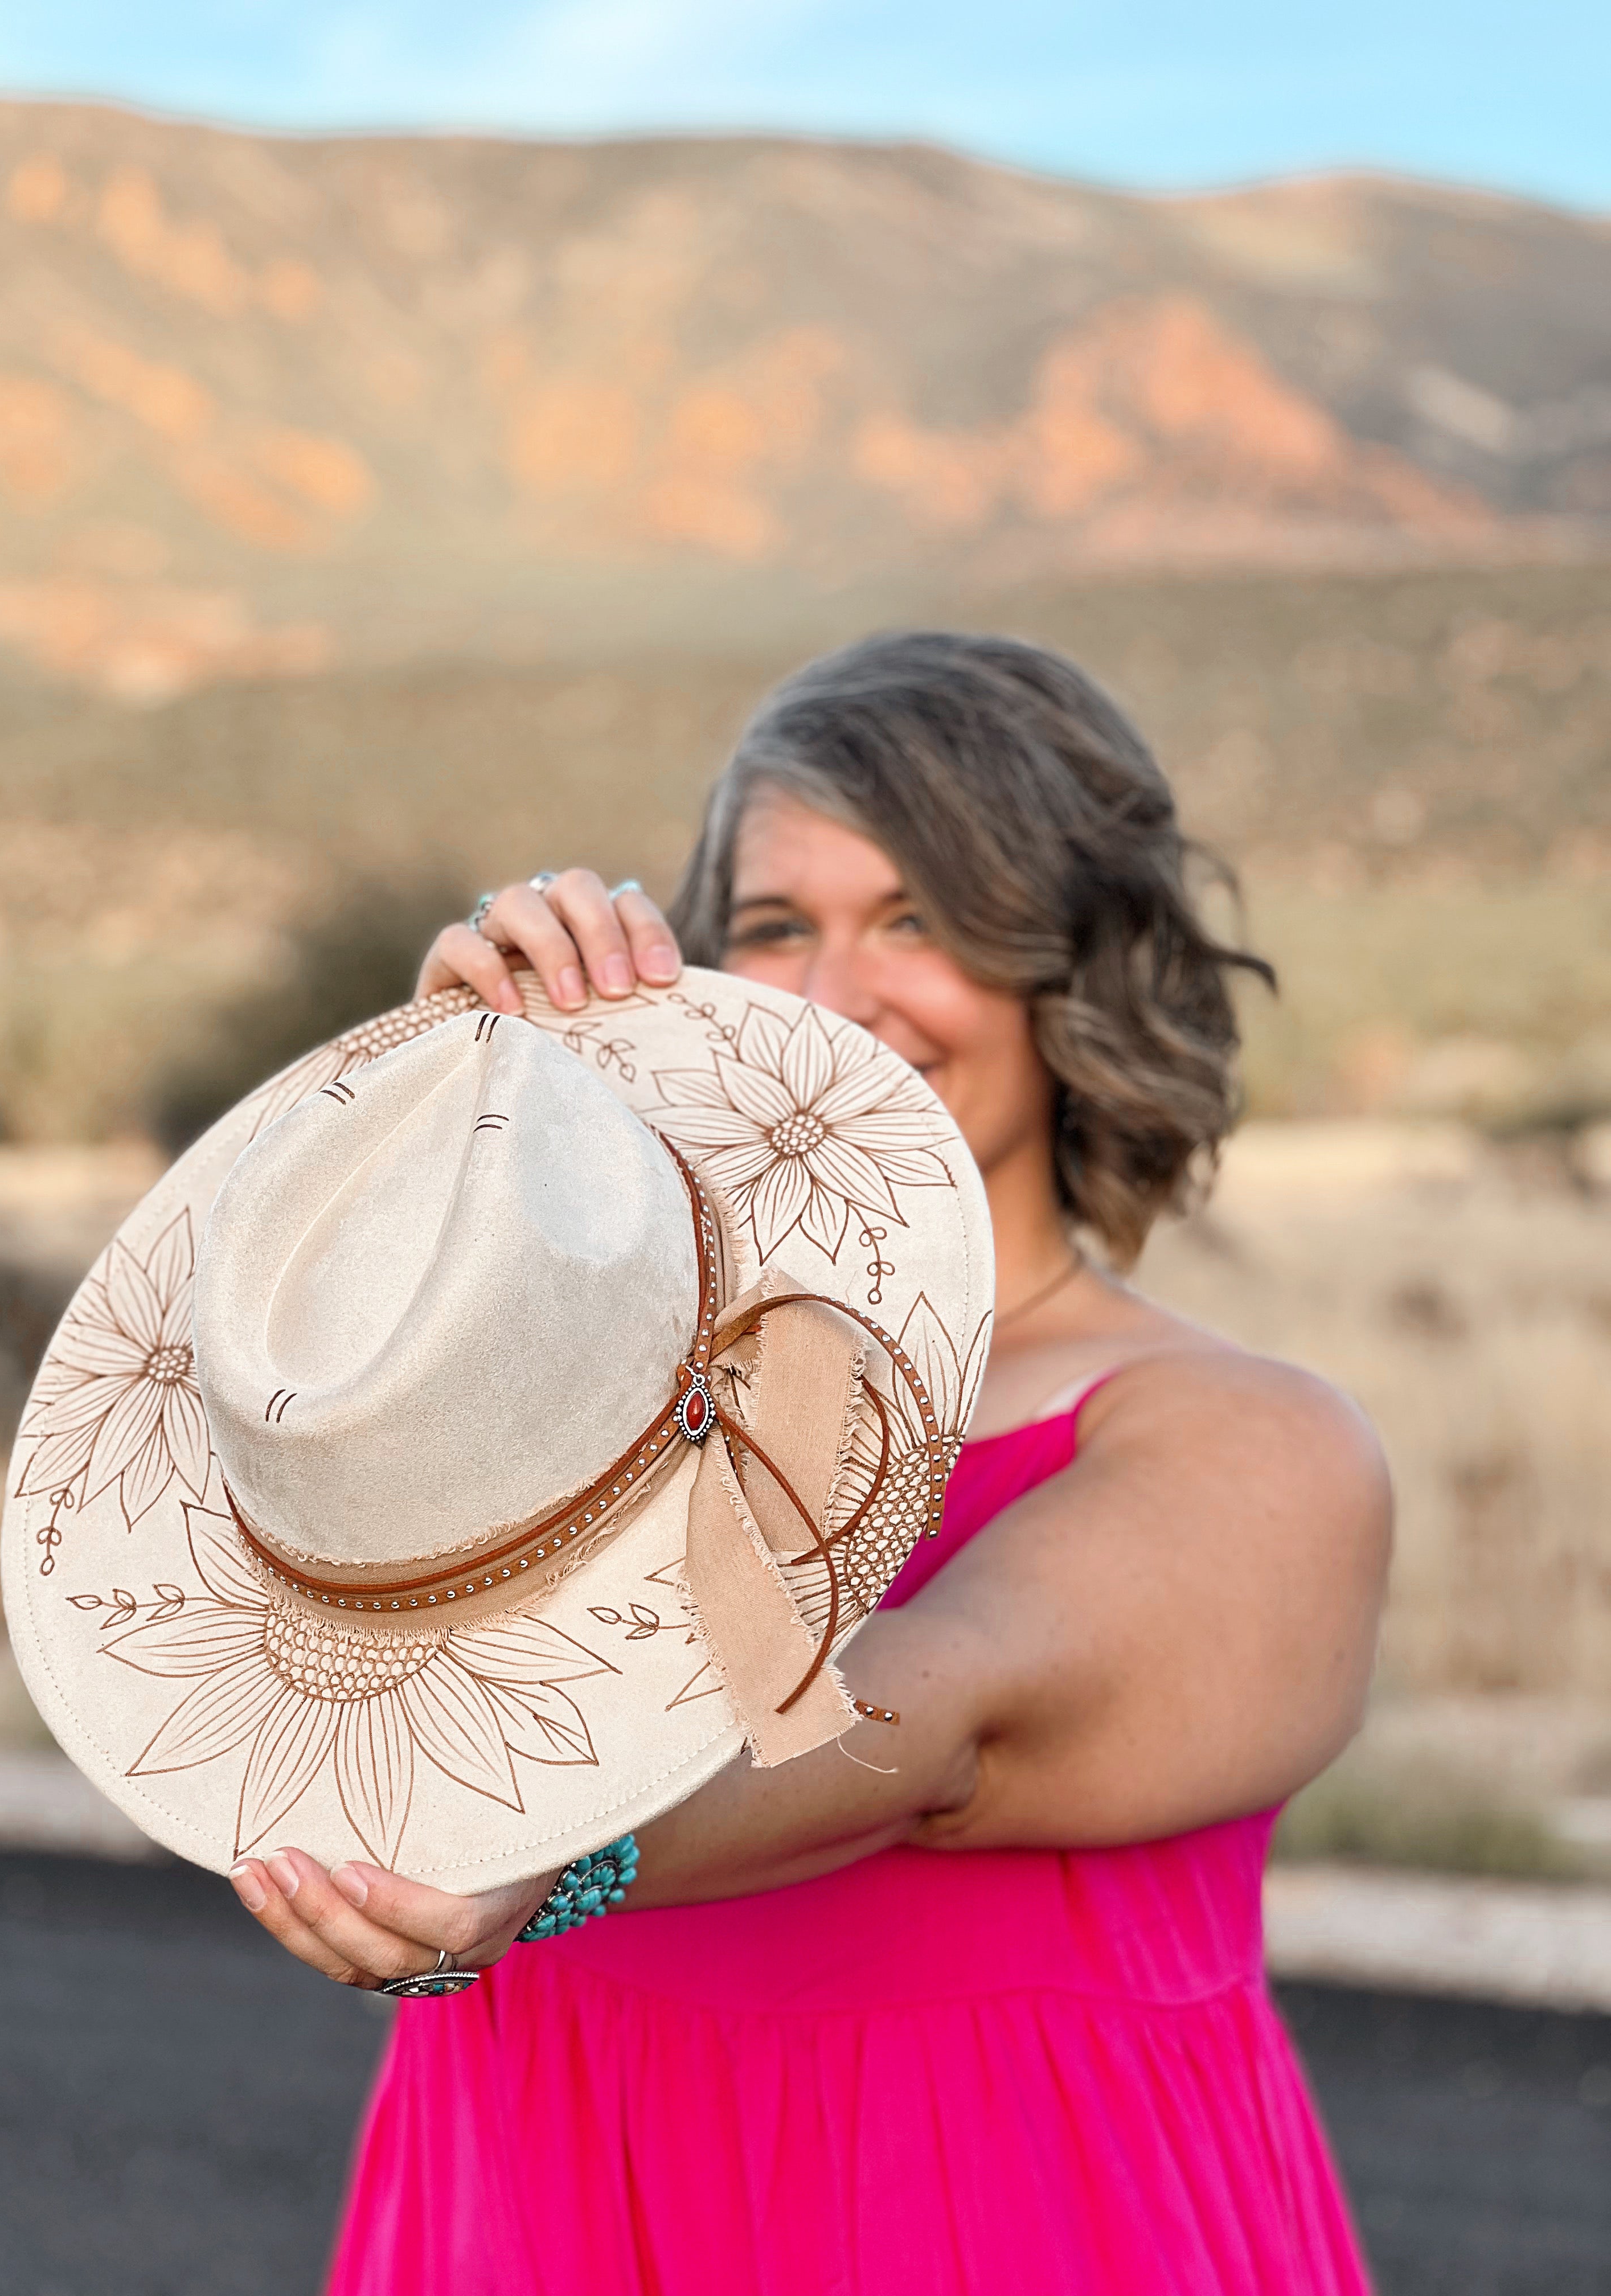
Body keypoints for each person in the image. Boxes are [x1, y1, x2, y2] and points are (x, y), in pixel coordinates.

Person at [230, 632, 1389, 2294]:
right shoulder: (597, 1394)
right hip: (536, 2199)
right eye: (777, 927)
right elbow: (288, 1603)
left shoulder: (1250, 1441)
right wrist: (449, 1148)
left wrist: (556, 1855)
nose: (835, 998)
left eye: (921, 921)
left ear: (1071, 967)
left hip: (1002, 2228)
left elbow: (928, 1720)